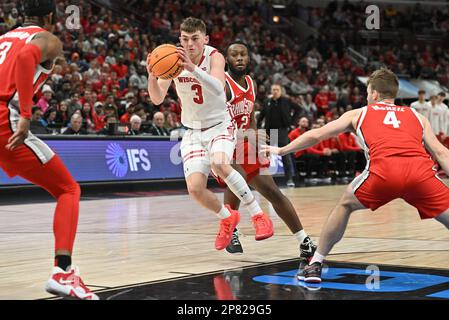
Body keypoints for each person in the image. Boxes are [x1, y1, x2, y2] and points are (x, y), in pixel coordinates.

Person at [264, 68, 449, 283]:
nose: (367, 96)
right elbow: (441, 152)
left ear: (375, 94)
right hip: (420, 173)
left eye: (368, 92)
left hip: (384, 173)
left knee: (345, 205)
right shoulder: (417, 116)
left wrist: (281, 150)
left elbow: (317, 134)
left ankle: (315, 264)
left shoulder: (359, 113)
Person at [148, 17, 273, 251]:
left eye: (195, 39)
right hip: (193, 131)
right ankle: (227, 218)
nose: (189, 44)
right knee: (195, 188)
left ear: (205, 39)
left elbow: (217, 87)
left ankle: (258, 215)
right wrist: (152, 76)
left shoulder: (215, 56)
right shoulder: (173, 59)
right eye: (185, 39)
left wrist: (192, 69)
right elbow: (157, 99)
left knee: (221, 164)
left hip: (219, 125)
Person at [0, 0, 97, 299]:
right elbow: (28, 56)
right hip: (6, 118)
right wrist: (26, 115)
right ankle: (63, 272)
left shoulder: (4, 38)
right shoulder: (46, 38)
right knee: (68, 190)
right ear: (50, 18)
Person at [219, 41, 316, 259]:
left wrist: (254, 140)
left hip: (244, 142)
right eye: (234, 55)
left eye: (243, 54)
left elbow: (251, 116)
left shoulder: (251, 83)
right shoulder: (222, 84)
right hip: (222, 141)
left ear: (249, 58)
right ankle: (230, 229)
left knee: (272, 191)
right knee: (238, 178)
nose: (240, 58)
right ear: (227, 59)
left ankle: (304, 241)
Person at [257, 84, 301, 187]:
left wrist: (292, 122)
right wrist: (258, 125)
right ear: (271, 91)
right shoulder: (267, 101)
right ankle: (264, 180)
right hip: (269, 131)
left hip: (282, 130)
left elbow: (299, 109)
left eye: (277, 90)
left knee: (285, 154)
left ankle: (289, 179)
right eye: (273, 90)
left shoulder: (286, 100)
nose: (275, 91)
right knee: (265, 154)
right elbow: (262, 114)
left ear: (281, 91)